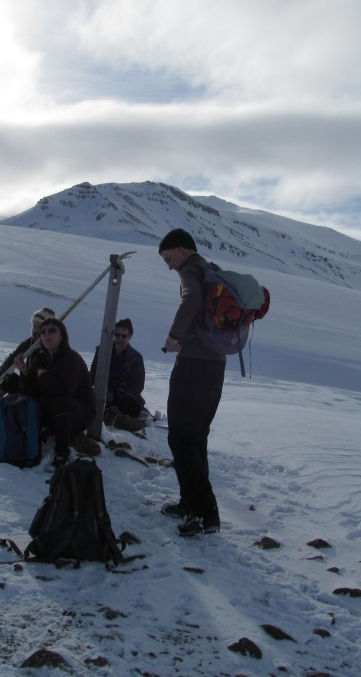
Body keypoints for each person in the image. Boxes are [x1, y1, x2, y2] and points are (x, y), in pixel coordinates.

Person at [158, 228, 226, 537]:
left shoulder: (191, 270)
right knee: (196, 438)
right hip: (214, 365)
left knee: (181, 439)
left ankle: (205, 513)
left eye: (168, 257)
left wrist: (173, 337)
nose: (169, 265)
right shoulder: (209, 269)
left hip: (194, 367)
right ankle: (191, 504)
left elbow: (191, 300)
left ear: (182, 250)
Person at [16, 316, 98, 468]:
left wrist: (44, 376)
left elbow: (65, 391)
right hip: (54, 409)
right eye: (43, 331)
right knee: (24, 397)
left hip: (80, 413)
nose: (47, 334)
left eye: (52, 331)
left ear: (62, 335)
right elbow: (31, 391)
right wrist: (25, 372)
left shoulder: (72, 358)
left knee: (60, 403)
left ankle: (62, 452)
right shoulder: (40, 358)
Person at [90, 318, 146, 431]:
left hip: (124, 396)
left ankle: (113, 416)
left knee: (131, 406)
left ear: (130, 337)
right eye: (117, 335)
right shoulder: (102, 351)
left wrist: (124, 393)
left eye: (124, 336)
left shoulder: (136, 358)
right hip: (105, 392)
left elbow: (139, 385)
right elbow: (92, 374)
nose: (120, 338)